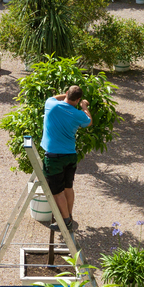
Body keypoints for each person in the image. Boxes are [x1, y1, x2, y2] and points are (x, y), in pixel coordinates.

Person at [40, 85, 92, 232]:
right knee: (68, 187)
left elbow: (54, 97)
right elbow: (89, 121)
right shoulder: (78, 114)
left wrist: (68, 95)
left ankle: (66, 221)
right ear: (78, 99)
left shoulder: (51, 105)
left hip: (54, 156)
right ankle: (69, 215)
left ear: (67, 93)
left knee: (57, 192)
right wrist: (84, 106)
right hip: (70, 155)